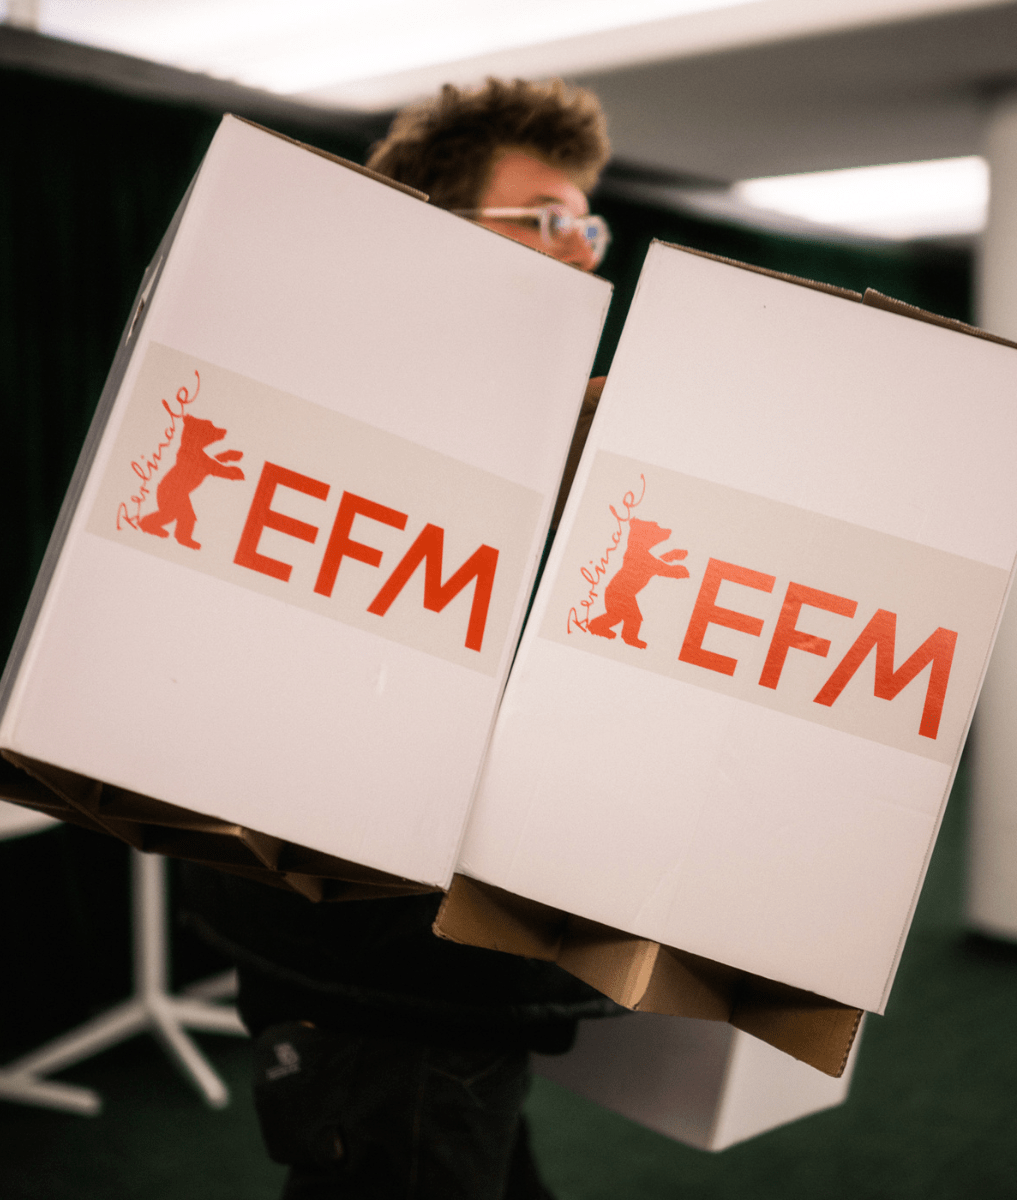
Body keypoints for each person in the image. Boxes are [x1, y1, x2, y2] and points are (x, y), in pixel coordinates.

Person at [181, 76, 618, 1200]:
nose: (583, 254)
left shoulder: (531, 423)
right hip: (373, 954)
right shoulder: (333, 410)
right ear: (438, 233)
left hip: (458, 957)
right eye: (547, 221)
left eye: (590, 227)